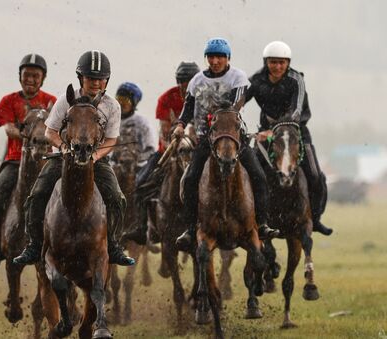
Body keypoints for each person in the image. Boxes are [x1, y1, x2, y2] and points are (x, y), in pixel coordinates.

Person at [13, 50, 135, 266]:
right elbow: (50, 132)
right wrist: (63, 148)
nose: (96, 83)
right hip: (63, 158)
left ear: (107, 80)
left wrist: (95, 157)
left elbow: (111, 140)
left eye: (100, 79)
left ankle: (114, 246)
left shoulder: (112, 106)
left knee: (117, 198)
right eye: (91, 78)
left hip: (96, 159)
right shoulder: (65, 101)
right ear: (81, 78)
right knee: (37, 195)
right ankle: (33, 245)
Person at [174, 38, 280, 250]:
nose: (215, 61)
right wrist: (180, 124)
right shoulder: (197, 80)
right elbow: (188, 106)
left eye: (220, 57)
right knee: (191, 178)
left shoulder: (237, 77)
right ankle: (189, 229)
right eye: (211, 57)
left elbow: (236, 104)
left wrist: (221, 115)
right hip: (207, 139)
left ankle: (263, 224)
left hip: (233, 138)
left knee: (259, 175)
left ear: (227, 58)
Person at [245, 40, 332, 236]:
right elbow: (240, 100)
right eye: (273, 62)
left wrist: (274, 130)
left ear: (288, 63)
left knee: (316, 176)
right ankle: (255, 220)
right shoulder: (256, 80)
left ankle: (315, 219)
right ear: (266, 62)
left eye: (281, 62)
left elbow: (296, 112)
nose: (277, 67)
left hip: (297, 134)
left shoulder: (296, 80)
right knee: (251, 174)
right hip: (266, 136)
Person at [0, 54, 57, 272]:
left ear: (42, 78)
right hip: (16, 161)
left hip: (46, 161)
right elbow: (8, 128)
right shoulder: (8, 101)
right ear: (20, 76)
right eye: (27, 75)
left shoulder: (52, 102)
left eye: (35, 76)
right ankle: (0, 246)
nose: (31, 80)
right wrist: (28, 135)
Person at [122, 62, 200, 245]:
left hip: (197, 150)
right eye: (184, 82)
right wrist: (174, 147)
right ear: (178, 82)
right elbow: (165, 133)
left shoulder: (204, 98)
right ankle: (142, 228)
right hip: (169, 150)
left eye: (191, 81)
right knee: (140, 184)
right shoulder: (166, 99)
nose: (187, 86)